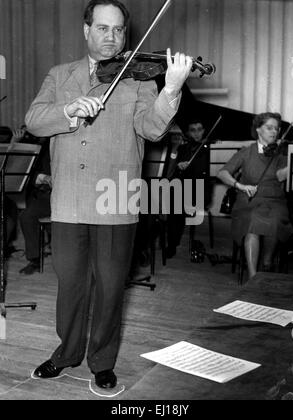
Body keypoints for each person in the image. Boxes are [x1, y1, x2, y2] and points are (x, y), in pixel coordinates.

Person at [25, 0, 193, 389]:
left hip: (116, 197)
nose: (111, 37)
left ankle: (102, 361)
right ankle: (66, 353)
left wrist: (171, 88)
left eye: (118, 30)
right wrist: (68, 110)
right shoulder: (59, 75)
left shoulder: (139, 79)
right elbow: (34, 120)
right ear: (86, 31)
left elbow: (152, 129)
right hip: (68, 200)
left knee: (111, 286)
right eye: (102, 28)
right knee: (71, 286)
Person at [218, 112, 293, 280]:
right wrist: (240, 186)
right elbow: (223, 173)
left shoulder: (281, 154)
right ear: (258, 130)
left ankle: (266, 264)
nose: (274, 132)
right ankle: (253, 279)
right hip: (248, 202)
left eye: (276, 128)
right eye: (269, 128)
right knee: (252, 220)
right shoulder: (247, 152)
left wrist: (291, 159)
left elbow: (281, 176)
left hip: (275, 202)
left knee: (274, 220)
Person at [166, 119, 211, 259]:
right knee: (174, 201)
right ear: (187, 133)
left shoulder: (209, 149)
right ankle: (172, 244)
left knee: (176, 203)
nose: (197, 133)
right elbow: (170, 172)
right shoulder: (184, 148)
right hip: (184, 190)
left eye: (200, 129)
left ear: (204, 131)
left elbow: (206, 173)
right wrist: (178, 162)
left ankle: (172, 242)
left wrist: (191, 166)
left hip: (200, 190)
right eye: (193, 130)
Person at [19, 138, 51, 275]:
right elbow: (29, 173)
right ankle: (34, 259)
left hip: (70, 194)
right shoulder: (40, 145)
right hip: (47, 195)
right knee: (26, 215)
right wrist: (44, 178)